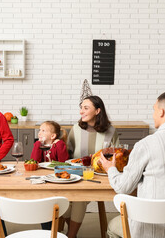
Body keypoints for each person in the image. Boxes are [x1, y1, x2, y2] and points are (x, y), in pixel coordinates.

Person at [100, 91, 165, 238]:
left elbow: (123, 187)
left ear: (161, 112)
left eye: (154, 109)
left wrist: (110, 169)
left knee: (112, 227)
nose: (153, 114)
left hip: (147, 229)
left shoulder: (145, 144)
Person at [64, 95, 119, 238]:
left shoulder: (111, 131)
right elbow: (68, 155)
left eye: (86, 108)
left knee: (78, 198)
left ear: (97, 111)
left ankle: (70, 235)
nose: (81, 111)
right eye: (81, 108)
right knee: (64, 198)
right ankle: (72, 233)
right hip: (75, 176)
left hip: (98, 178)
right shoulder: (76, 129)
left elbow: (116, 158)